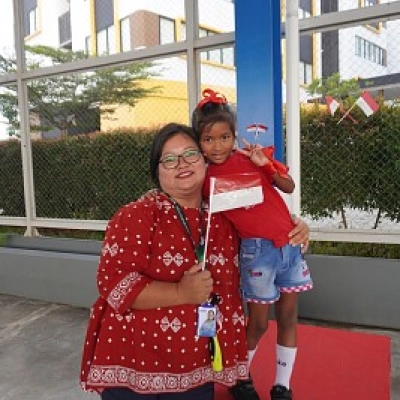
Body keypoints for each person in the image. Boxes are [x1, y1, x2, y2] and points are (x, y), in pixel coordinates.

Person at [192, 89, 313, 400]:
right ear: (198, 142)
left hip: (289, 246)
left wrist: (266, 164)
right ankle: (239, 376)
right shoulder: (203, 177)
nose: (217, 146)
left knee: (288, 318)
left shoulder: (251, 158)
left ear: (234, 135)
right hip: (256, 253)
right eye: (208, 139)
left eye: (224, 137)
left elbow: (288, 186)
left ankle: (282, 385)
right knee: (258, 323)